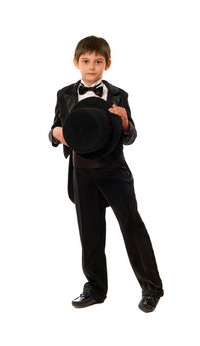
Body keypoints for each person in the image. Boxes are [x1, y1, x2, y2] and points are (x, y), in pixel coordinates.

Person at [48, 35, 164, 313]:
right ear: (76, 62)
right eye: (86, 61)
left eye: (98, 61)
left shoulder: (118, 94)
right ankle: (96, 288)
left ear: (107, 64)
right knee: (90, 232)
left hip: (113, 170)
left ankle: (151, 288)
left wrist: (124, 120)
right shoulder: (64, 94)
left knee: (131, 226)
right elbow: (53, 128)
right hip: (81, 171)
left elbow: (130, 135)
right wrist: (56, 133)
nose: (92, 66)